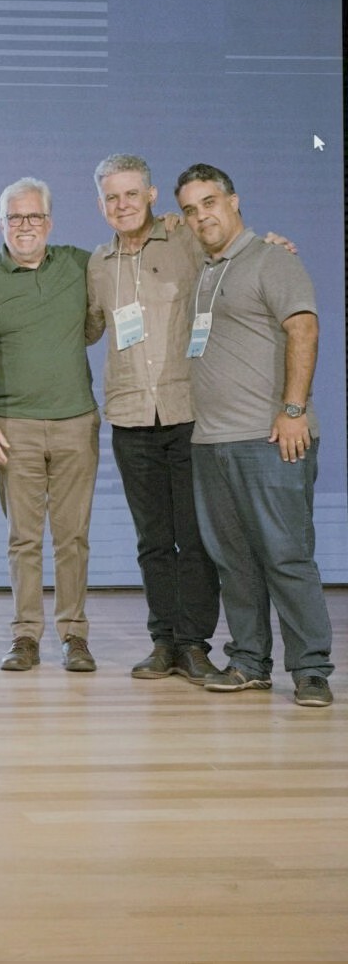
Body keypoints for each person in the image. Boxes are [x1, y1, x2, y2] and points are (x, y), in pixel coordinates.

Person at [175, 163, 334, 708]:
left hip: (270, 438)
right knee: (234, 561)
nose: (201, 216)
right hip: (211, 442)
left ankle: (311, 669)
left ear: (234, 201)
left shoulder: (272, 259)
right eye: (190, 209)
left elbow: (304, 328)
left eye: (210, 202)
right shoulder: (204, 270)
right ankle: (248, 661)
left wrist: (293, 410)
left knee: (286, 556)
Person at [85, 154, 223, 684]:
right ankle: (163, 642)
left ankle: (194, 645)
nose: (121, 204)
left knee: (196, 539)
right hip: (130, 417)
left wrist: (272, 245)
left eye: (130, 193)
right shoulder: (98, 264)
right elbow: (89, 327)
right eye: (111, 197)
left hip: (187, 412)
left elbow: (229, 252)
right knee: (153, 541)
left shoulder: (185, 239)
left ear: (151, 195)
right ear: (101, 204)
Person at [0, 179, 100, 673]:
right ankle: (25, 635)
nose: (25, 226)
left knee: (73, 537)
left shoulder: (82, 264)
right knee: (23, 539)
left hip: (75, 423)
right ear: (1, 224)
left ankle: (74, 636)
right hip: (12, 427)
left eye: (34, 217)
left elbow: (134, 254)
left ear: (50, 222)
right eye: (15, 217)